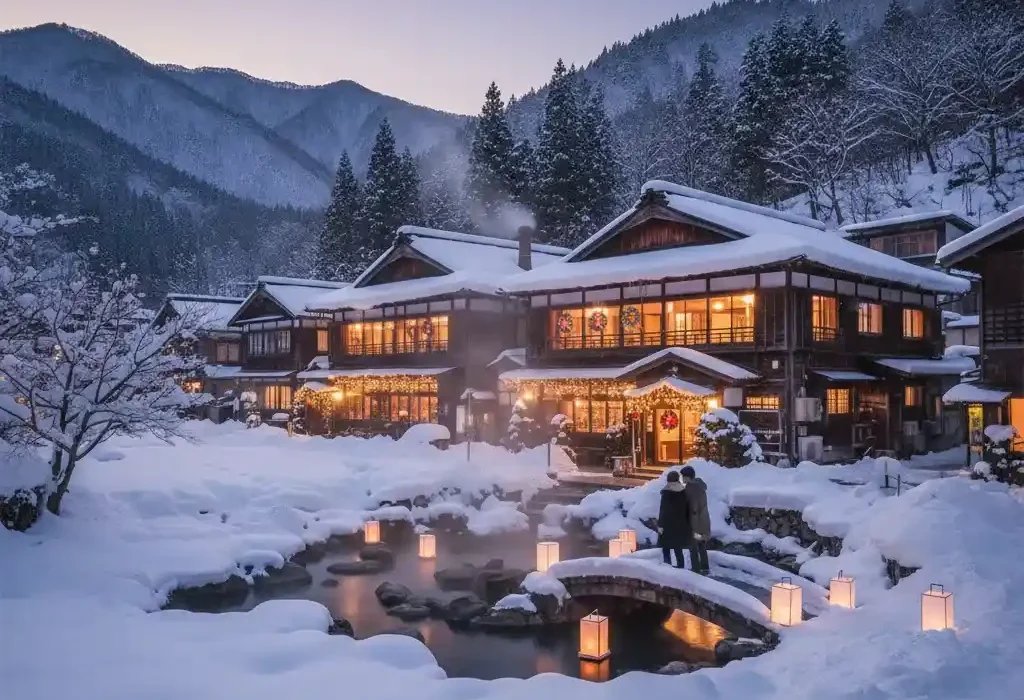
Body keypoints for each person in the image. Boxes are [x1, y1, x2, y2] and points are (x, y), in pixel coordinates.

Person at [657, 470, 691, 568]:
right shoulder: (683, 492)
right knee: (678, 547)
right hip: (680, 524)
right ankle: (681, 566)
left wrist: (660, 525)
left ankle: (667, 566)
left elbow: (663, 510)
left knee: (666, 547)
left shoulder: (667, 492)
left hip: (667, 525)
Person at [681, 465, 710, 574]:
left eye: (683, 476)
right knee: (702, 545)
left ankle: (696, 570)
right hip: (703, 522)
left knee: (693, 546)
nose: (682, 478)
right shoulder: (701, 487)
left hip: (694, 524)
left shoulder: (690, 489)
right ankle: (705, 567)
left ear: (688, 477)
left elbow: (691, 508)